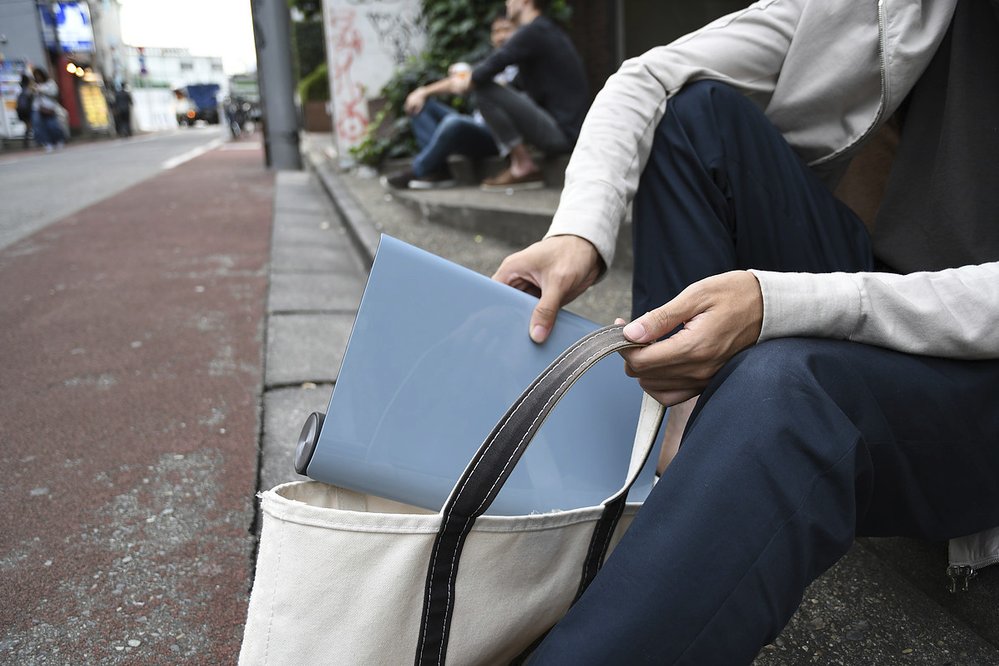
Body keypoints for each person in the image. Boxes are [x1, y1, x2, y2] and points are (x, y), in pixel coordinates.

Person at [492, 0, 999, 662]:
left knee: (782, 392)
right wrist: (577, 233)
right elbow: (646, 76)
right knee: (697, 116)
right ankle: (671, 446)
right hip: (879, 297)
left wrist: (776, 302)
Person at [449, 0, 589, 190]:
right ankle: (521, 163)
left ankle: (523, 166)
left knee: (483, 90)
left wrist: (467, 81)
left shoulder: (533, 31)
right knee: (490, 89)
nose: (507, 3)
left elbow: (491, 66)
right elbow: (513, 86)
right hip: (563, 130)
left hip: (562, 135)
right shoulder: (544, 31)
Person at [382, 12, 519, 191]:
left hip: (498, 135)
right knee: (420, 106)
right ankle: (438, 171)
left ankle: (417, 170)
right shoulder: (491, 61)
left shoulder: (523, 61)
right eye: (496, 32)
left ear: (519, 32)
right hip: (476, 125)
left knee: (453, 123)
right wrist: (422, 91)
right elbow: (460, 81)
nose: (501, 36)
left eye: (507, 30)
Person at [31, 68, 66, 153]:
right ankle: (47, 143)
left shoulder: (50, 83)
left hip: (50, 108)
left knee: (53, 126)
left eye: (39, 75)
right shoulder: (35, 85)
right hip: (38, 108)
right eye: (36, 76)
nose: (38, 77)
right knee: (40, 127)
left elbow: (55, 94)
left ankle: (59, 139)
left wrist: (41, 91)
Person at [16, 74, 34, 148]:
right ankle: (28, 141)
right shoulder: (29, 88)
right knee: (30, 125)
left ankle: (26, 141)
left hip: (22, 110)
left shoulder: (21, 88)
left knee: (27, 126)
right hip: (28, 110)